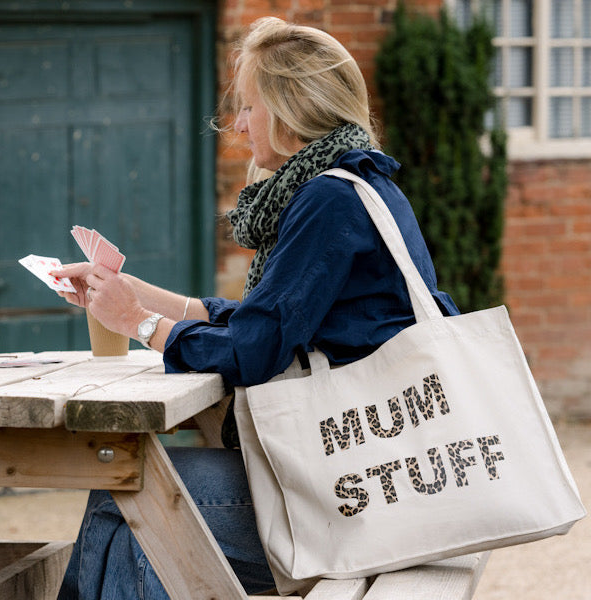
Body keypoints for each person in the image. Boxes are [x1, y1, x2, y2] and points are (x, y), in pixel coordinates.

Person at [53, 16, 459, 599]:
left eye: (248, 107)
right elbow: (263, 320)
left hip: (353, 492)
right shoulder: (352, 185)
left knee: (126, 489)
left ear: (289, 107)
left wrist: (138, 324)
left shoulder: (329, 199)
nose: (239, 124)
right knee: (129, 514)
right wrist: (131, 294)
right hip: (364, 466)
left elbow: (254, 350)